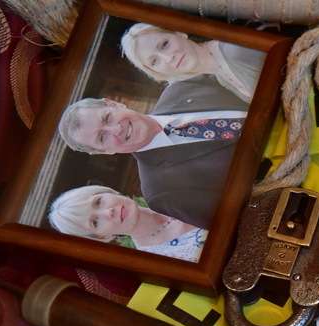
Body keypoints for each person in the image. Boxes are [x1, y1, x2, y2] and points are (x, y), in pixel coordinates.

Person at [58, 75, 251, 229]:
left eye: (107, 118)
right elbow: (238, 225)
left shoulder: (182, 86)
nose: (116, 129)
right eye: (102, 137)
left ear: (114, 104)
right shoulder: (161, 192)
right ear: (104, 152)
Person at [49, 185, 207, 263]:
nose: (107, 212)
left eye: (98, 202)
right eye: (95, 221)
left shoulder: (170, 189)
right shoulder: (157, 261)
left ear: (109, 192)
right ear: (102, 236)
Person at [121, 23, 265, 103]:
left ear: (179, 33)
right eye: (154, 61)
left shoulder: (236, 51)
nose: (168, 58)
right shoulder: (221, 79)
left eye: (164, 45)